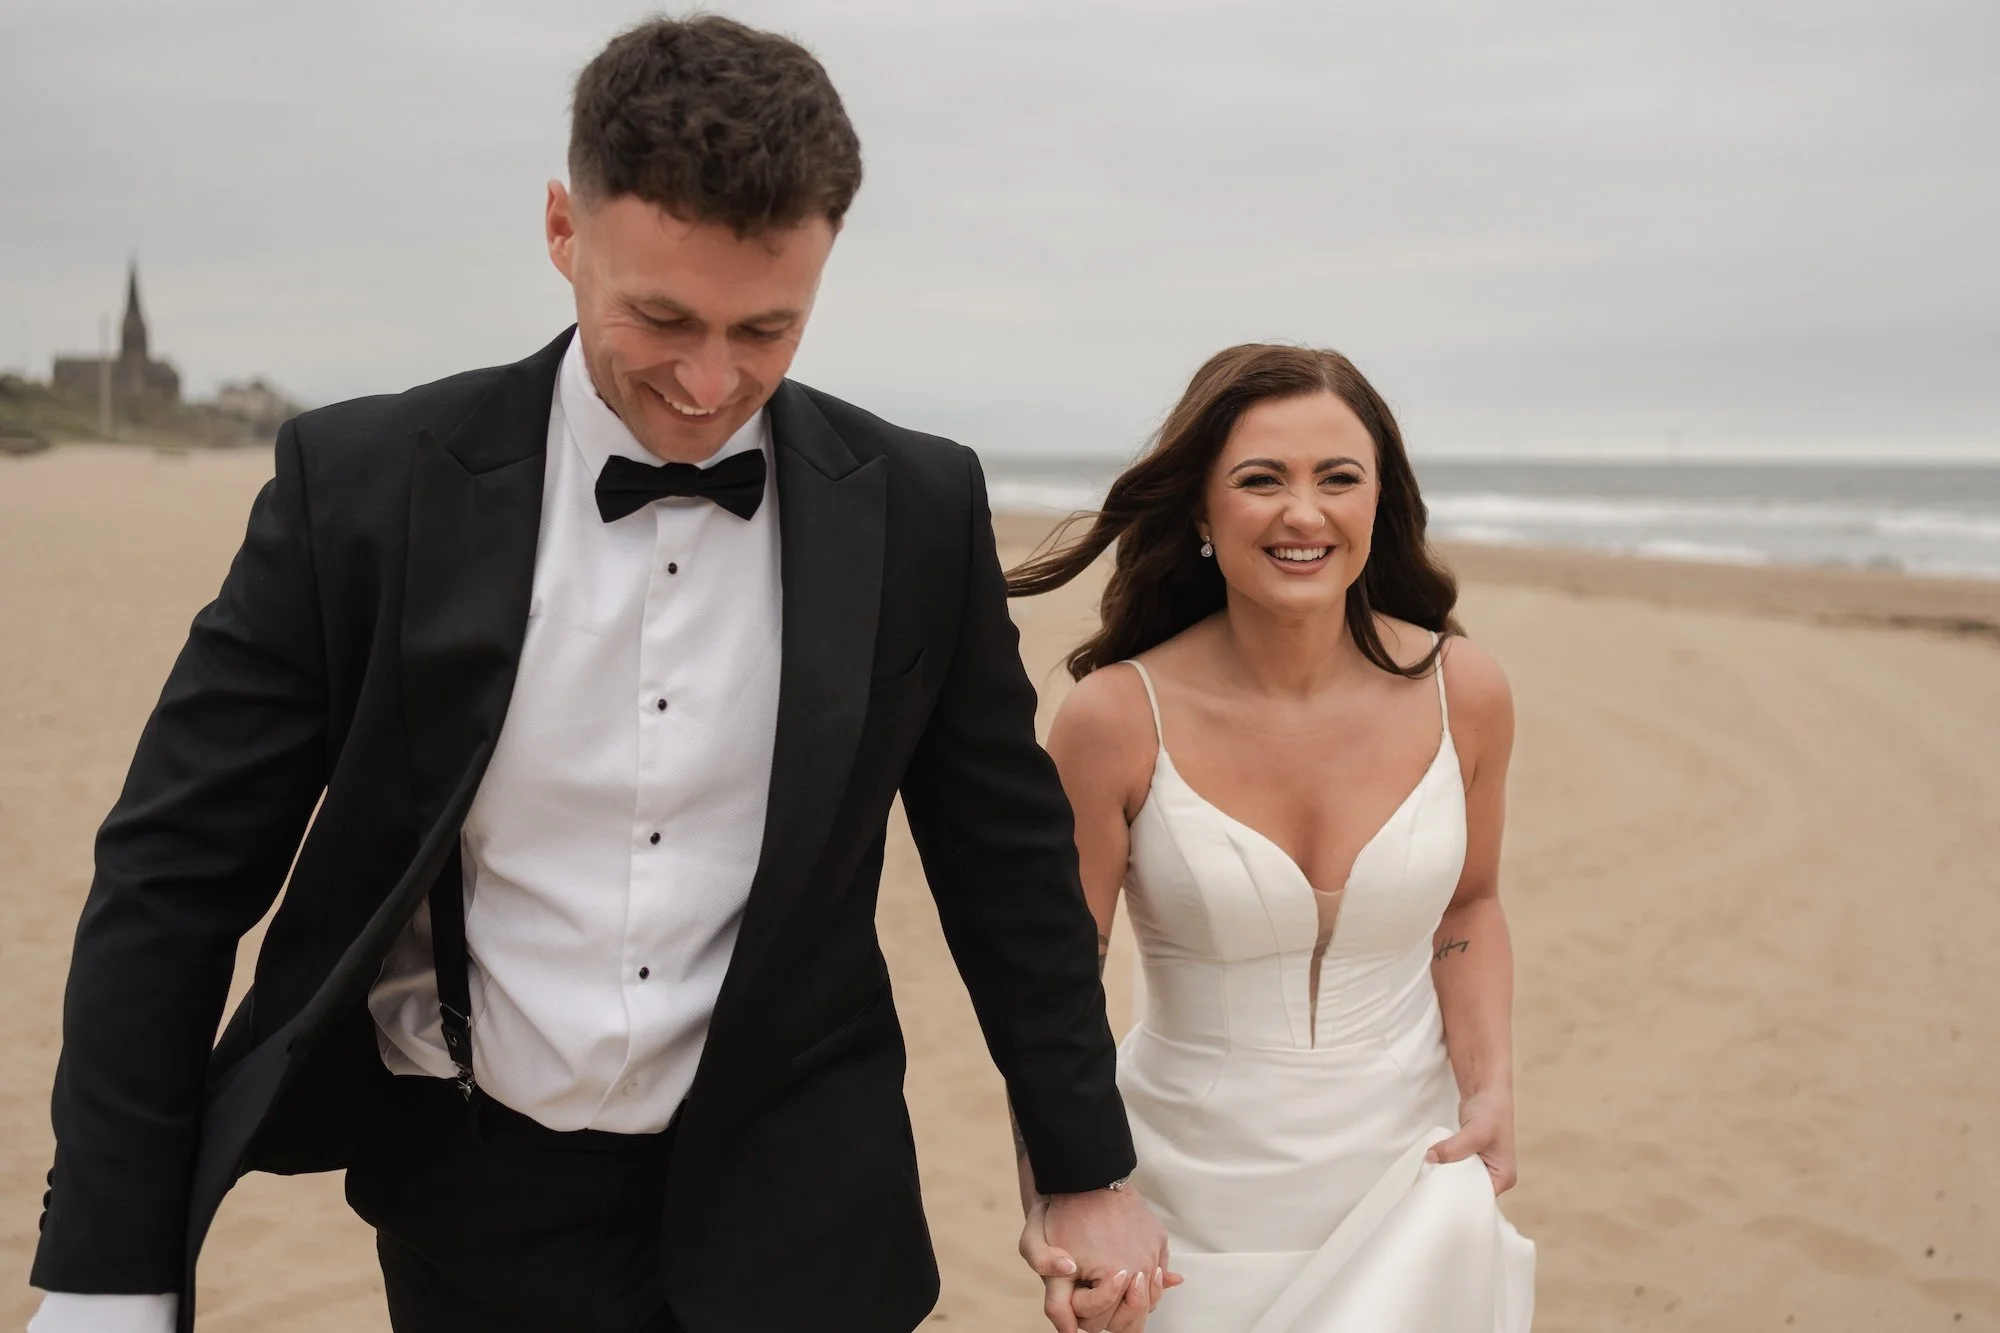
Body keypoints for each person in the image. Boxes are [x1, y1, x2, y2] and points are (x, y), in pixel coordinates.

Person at [27, 17, 1171, 1333]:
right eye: (663, 316)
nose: (708, 379)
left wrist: (1084, 1166)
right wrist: (111, 1261)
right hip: (476, 1206)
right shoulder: (361, 490)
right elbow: (173, 871)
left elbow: (1007, 862)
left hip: (807, 1208)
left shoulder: (916, 504)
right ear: (565, 229)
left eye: (768, 329)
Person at [1007, 344, 1536, 1330]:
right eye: (1261, 480)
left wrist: (1492, 1088)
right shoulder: (1114, 720)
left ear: (1380, 502)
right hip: (1178, 1209)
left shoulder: (1463, 692)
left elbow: (1468, 901)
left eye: (1338, 478)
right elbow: (1052, 978)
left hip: (1411, 1186)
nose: (1304, 513)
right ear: (1201, 512)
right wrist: (1059, 1190)